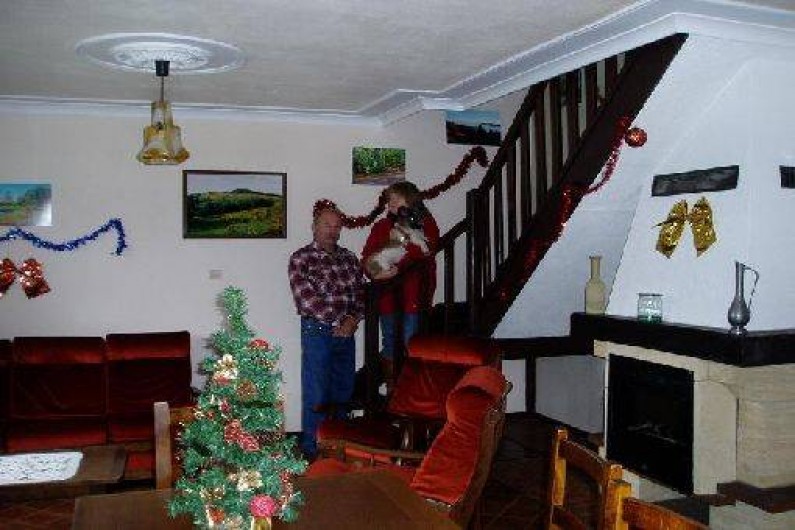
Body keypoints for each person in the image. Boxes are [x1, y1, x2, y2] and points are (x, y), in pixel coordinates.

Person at [288, 203, 366, 460]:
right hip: (318, 332)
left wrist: (352, 320)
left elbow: (361, 295)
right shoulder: (301, 258)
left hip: (347, 333)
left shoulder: (349, 258)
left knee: (343, 392)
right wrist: (339, 322)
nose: (332, 231)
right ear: (314, 227)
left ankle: (338, 448)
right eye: (326, 225)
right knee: (317, 394)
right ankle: (313, 450)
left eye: (336, 226)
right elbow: (306, 299)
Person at [361, 181, 440, 389]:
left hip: (415, 298)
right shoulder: (381, 226)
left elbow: (426, 251)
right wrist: (376, 272)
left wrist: (400, 251)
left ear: (410, 199)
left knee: (411, 345)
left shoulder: (425, 222)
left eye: (396, 198)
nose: (391, 203)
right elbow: (366, 258)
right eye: (389, 199)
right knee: (390, 344)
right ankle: (393, 391)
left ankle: (410, 393)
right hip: (388, 299)